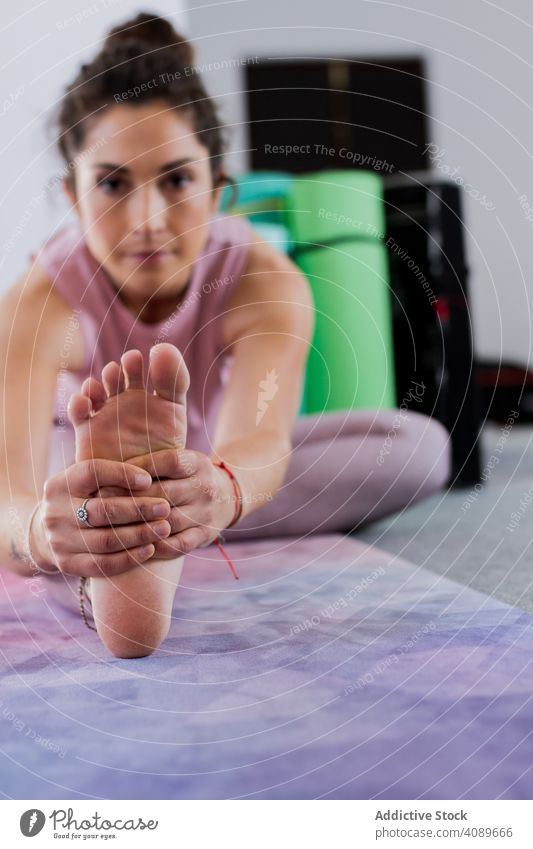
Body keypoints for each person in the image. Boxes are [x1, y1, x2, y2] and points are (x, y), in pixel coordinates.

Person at [0, 12, 450, 658]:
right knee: (43, 497)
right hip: (76, 469)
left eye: (177, 180)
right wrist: (45, 530)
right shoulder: (36, 304)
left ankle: (144, 528)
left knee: (414, 445)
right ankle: (115, 532)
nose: (147, 219)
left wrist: (224, 487)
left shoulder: (263, 281)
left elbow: (259, 439)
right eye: (112, 183)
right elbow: (8, 496)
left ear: (218, 191)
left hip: (211, 464)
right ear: (72, 197)